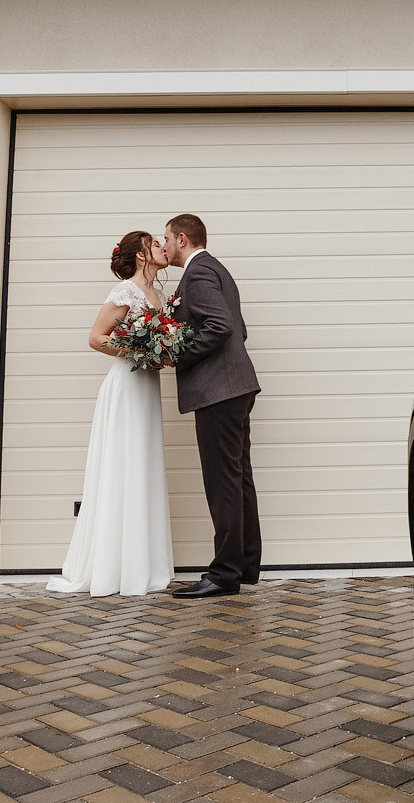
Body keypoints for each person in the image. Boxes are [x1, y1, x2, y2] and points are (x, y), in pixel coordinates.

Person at [47, 230, 175, 597]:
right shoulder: (125, 292)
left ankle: (143, 566)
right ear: (141, 255)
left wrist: (163, 352)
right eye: (155, 244)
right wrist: (139, 351)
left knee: (143, 465)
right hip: (126, 385)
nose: (162, 247)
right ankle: (113, 568)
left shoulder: (157, 295)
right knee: (124, 464)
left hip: (147, 385)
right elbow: (96, 337)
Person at [163, 214, 263, 598]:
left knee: (223, 483)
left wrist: (179, 354)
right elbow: (239, 328)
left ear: (182, 238)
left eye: (166, 239)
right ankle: (243, 565)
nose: (164, 246)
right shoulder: (216, 269)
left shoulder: (198, 274)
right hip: (235, 387)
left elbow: (221, 325)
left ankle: (224, 574)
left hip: (219, 392)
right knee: (237, 479)